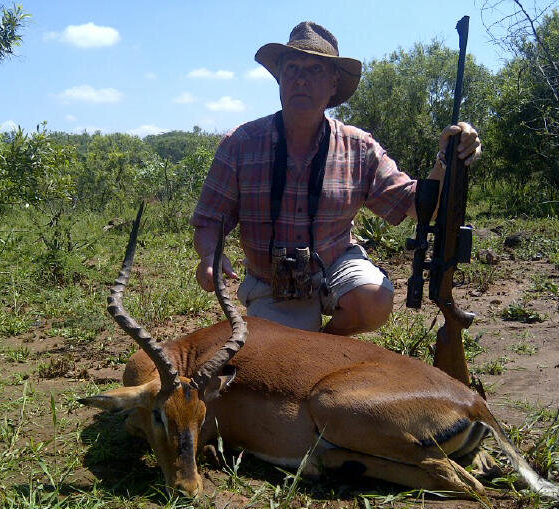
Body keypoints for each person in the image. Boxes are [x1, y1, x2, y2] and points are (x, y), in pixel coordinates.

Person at [192, 22, 481, 335]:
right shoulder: (241, 143)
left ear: (333, 83)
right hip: (273, 282)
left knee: (374, 297)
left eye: (315, 69)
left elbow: (417, 206)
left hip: (335, 267)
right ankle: (306, 347)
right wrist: (211, 255)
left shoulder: (358, 146)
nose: (300, 78)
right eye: (291, 67)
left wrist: (447, 160)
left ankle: (323, 346)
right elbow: (209, 221)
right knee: (279, 365)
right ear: (280, 78)